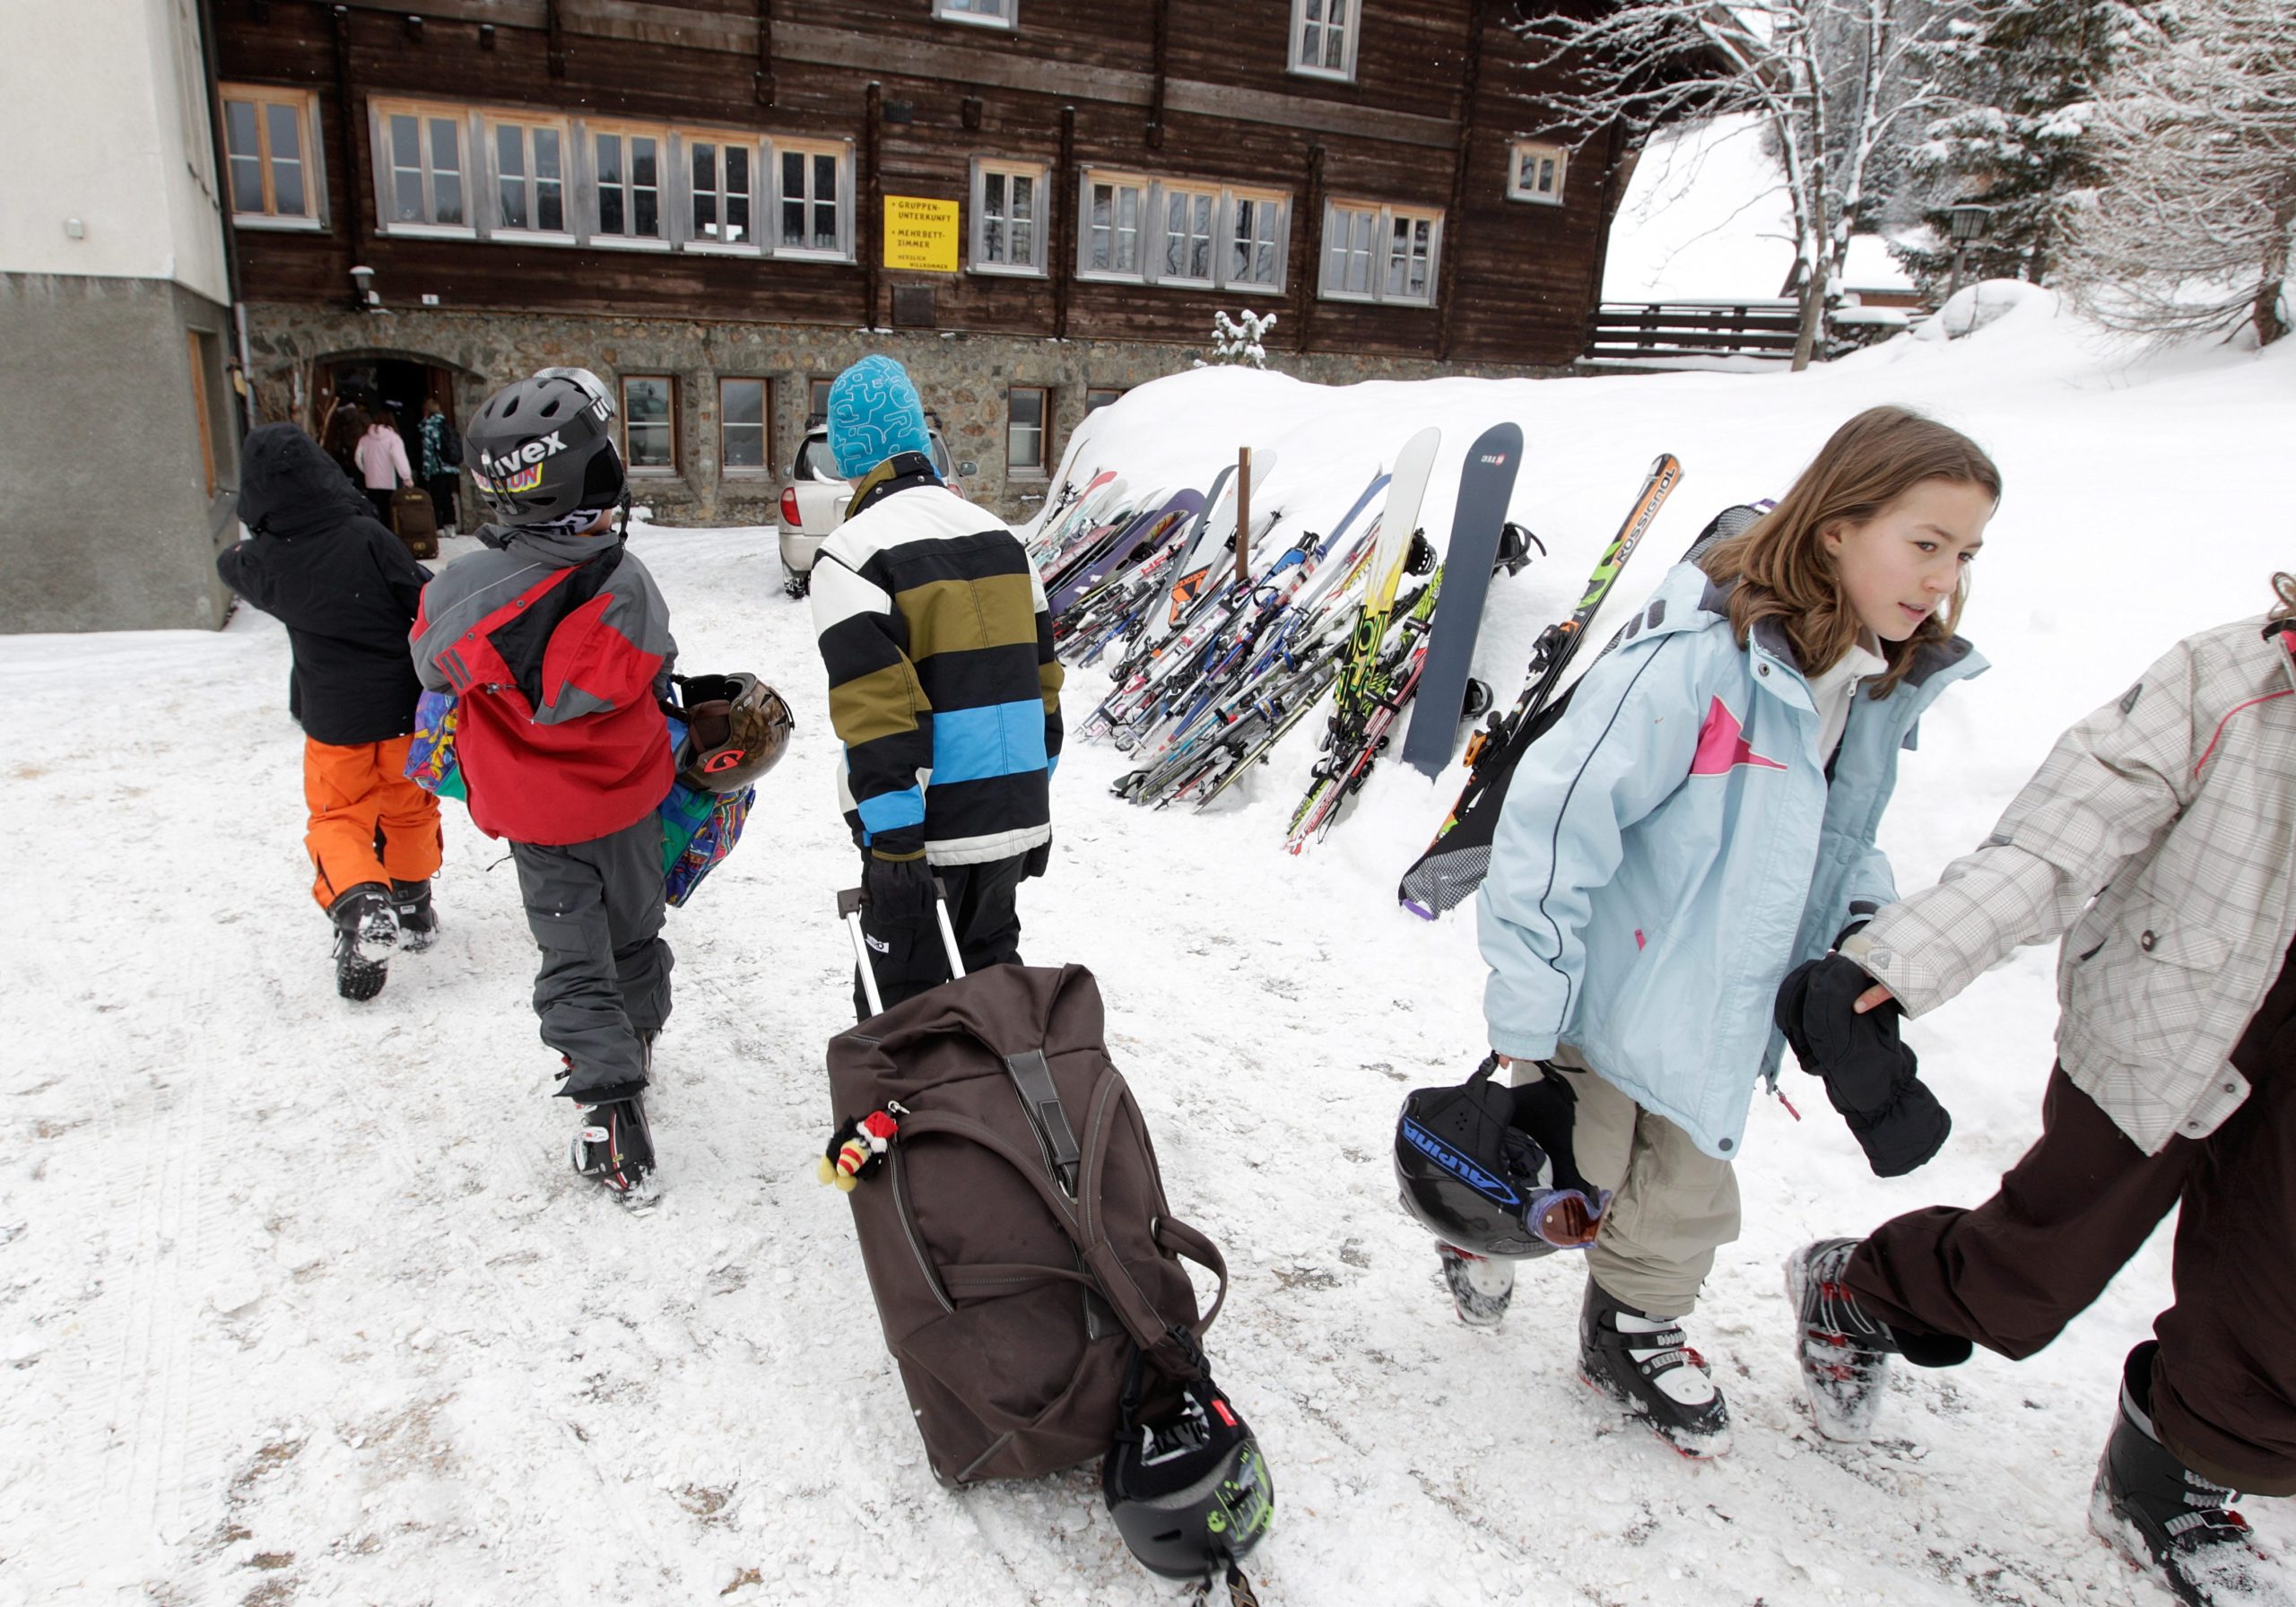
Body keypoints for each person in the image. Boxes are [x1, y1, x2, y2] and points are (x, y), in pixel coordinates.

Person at [1465, 406, 1998, 1455]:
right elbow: (1556, 824)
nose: (1942, 578)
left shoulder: (1874, 678)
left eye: (1965, 553)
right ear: (1838, 524)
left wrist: (1860, 922)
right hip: (1611, 989)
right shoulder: (1698, 661)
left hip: (1731, 1001)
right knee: (1572, 1166)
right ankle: (1478, 1224)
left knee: (1687, 1189)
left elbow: (1841, 831)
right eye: (1924, 542)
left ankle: (1630, 1325)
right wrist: (1527, 1005)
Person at [1779, 577, 2296, 1606]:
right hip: (2168, 1021)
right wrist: (1892, 962)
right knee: (2037, 1265)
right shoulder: (2227, 681)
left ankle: (2161, 1479)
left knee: (2280, 1308)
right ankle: (1856, 1288)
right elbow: (2055, 846)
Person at [409, 368, 678, 1201]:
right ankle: (637, 1034)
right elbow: (657, 664)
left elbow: (430, 667)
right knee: (633, 931)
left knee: (572, 956)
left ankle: (609, 1109)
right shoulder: (626, 584)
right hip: (627, 801)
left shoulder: (460, 592)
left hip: (536, 818)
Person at [808, 355, 1060, 1017]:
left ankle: (898, 1123)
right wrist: (1032, 804)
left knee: (902, 1021)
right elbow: (1044, 687)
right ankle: (996, 1120)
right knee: (995, 1009)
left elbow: (878, 711)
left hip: (925, 834)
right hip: (1011, 816)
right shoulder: (1006, 541)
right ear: (918, 439)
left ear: (847, 454)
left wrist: (893, 843)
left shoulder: (854, 555)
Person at [217, 423, 443, 1001]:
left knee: (339, 815)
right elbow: (419, 595)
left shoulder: (263, 563)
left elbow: (229, 562)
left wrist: (260, 539)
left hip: (334, 721)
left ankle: (362, 901)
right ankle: (413, 905)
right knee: (409, 805)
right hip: (401, 707)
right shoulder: (366, 534)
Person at [354, 408, 413, 527]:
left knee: (376, 513)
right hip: (389, 484)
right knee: (389, 515)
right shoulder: (393, 438)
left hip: (371, 483)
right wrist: (406, 477)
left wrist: (366, 471)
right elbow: (399, 458)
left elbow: (357, 458)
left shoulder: (364, 439)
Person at [418, 396, 461, 539]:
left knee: (436, 498)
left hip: (436, 469)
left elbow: (428, 451)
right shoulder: (445, 423)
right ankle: (451, 526)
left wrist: (426, 471)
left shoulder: (428, 427)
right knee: (448, 497)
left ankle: (439, 527)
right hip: (449, 467)